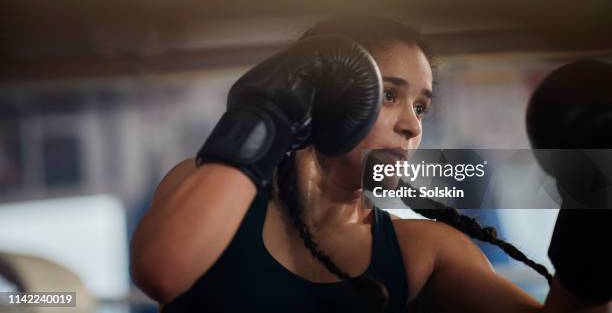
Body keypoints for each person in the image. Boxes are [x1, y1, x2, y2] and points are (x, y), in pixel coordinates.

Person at [130, 16, 610, 313]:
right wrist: (268, 114)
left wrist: (595, 204)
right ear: (322, 96)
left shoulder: (425, 251)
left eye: (420, 107)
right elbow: (161, 273)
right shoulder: (213, 195)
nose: (412, 127)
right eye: (387, 95)